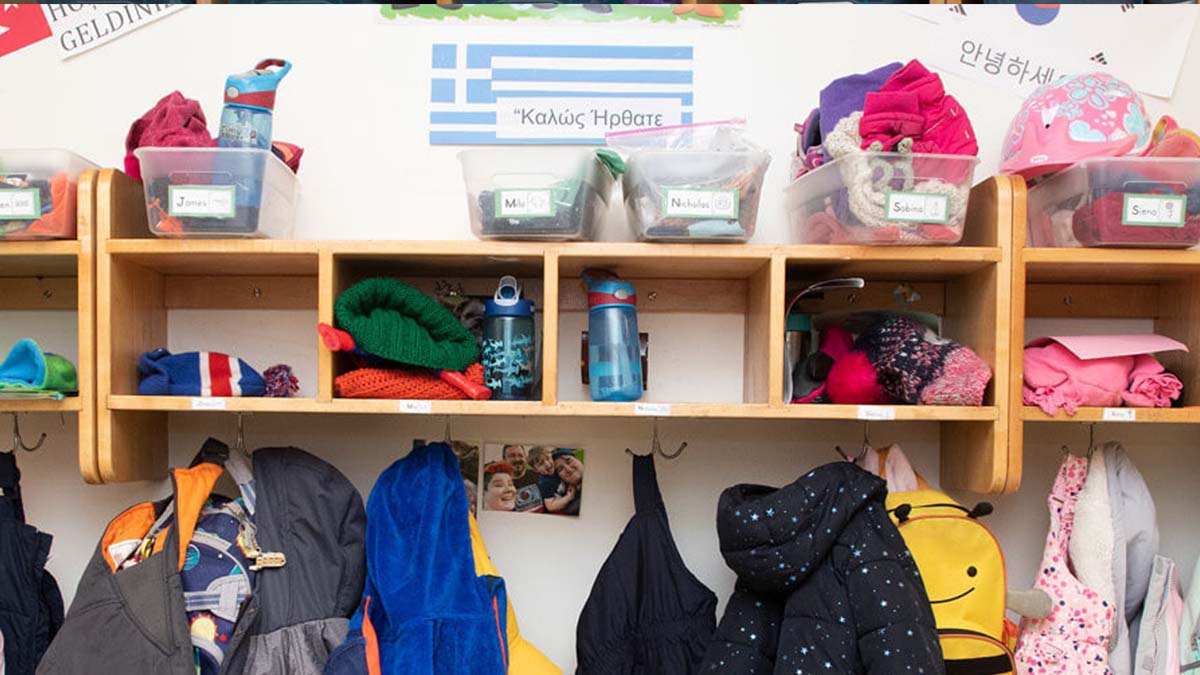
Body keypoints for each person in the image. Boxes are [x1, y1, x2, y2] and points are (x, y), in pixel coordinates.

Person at [549, 448, 584, 516]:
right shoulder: (570, 509)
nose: (568, 469)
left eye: (569, 461)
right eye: (560, 469)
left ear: (578, 460)